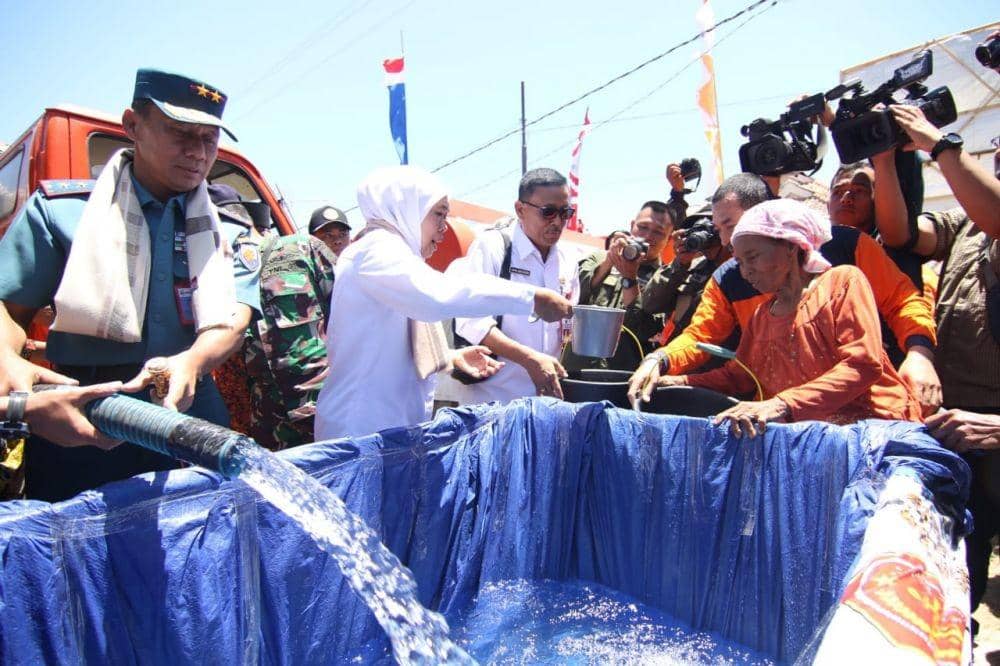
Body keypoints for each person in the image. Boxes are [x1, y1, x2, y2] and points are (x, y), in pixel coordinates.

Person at [0, 69, 258, 502]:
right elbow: (8, 307)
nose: (197, 152)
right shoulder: (61, 213)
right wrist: (7, 360)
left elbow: (234, 319)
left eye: (208, 139)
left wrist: (191, 363)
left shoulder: (226, 228)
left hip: (190, 415)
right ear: (132, 126)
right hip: (86, 417)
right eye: (180, 133)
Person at [628, 173, 940, 415]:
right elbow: (725, 358)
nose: (725, 239)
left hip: (872, 425)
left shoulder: (844, 269)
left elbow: (893, 317)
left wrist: (920, 353)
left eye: (731, 225)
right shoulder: (751, 300)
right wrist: (665, 366)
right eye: (721, 229)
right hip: (800, 428)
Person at [313, 165, 572, 441]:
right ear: (408, 209)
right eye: (438, 214)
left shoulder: (394, 254)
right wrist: (530, 298)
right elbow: (435, 295)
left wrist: (450, 358)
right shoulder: (376, 250)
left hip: (388, 431)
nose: (444, 227)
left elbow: (387, 344)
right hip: (359, 431)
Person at [881, 103, 1000, 623]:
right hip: (956, 423)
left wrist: (939, 145)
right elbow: (902, 235)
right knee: (957, 563)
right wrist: (885, 162)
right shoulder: (967, 227)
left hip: (994, 423)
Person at [451, 168, 581, 403]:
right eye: (548, 212)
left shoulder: (568, 258)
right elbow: (470, 321)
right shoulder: (493, 247)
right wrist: (529, 359)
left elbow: (568, 325)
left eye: (565, 213)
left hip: (545, 402)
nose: (558, 222)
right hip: (492, 398)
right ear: (520, 209)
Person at [566, 200, 674, 370]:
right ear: (632, 226)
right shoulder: (598, 259)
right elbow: (573, 296)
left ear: (669, 238)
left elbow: (643, 330)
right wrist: (609, 261)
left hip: (623, 374)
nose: (648, 236)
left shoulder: (665, 279)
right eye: (643, 227)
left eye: (658, 232)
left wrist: (629, 278)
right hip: (577, 366)